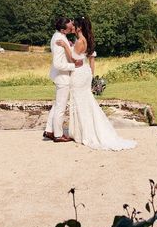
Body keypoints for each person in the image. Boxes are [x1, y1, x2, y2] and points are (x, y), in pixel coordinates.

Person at [55, 16, 137, 151]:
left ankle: (85, 132)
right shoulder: (83, 40)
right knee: (85, 101)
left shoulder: (80, 41)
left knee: (80, 102)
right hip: (84, 72)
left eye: (74, 25)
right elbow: (80, 58)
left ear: (79, 27)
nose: (72, 27)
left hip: (79, 74)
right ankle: (82, 131)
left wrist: (65, 46)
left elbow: (73, 60)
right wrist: (70, 46)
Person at [44, 17, 83, 143]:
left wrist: (69, 46)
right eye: (70, 25)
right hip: (62, 78)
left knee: (57, 105)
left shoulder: (59, 36)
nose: (72, 25)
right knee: (61, 107)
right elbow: (58, 64)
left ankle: (49, 130)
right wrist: (73, 66)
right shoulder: (59, 39)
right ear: (63, 29)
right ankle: (58, 135)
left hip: (59, 77)